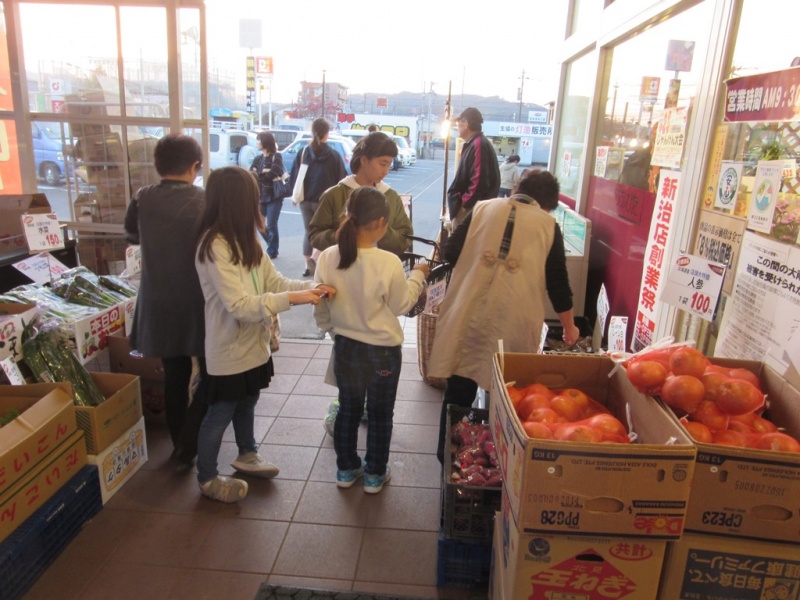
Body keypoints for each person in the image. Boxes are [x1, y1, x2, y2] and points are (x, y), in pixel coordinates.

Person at [194, 166, 335, 503]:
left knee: (248, 400)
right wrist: (295, 298)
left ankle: (247, 453)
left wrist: (314, 287)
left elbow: (276, 282)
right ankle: (207, 477)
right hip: (228, 348)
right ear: (239, 201)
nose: (259, 204)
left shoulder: (246, 240)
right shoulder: (215, 245)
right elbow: (239, 306)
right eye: (253, 197)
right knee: (220, 412)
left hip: (253, 345)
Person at [428, 169, 581, 464]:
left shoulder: (482, 208)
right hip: (514, 318)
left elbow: (450, 250)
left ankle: (447, 456)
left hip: (469, 311)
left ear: (516, 189)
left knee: (459, 386)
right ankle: (492, 460)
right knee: (505, 393)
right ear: (548, 204)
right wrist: (569, 327)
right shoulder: (548, 225)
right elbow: (558, 283)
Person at [313, 187, 429, 494]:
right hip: (383, 352)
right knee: (379, 413)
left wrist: (332, 331)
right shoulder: (388, 262)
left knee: (348, 409)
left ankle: (346, 469)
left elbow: (320, 302)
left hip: (346, 347)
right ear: (379, 223)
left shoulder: (328, 256)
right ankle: (375, 474)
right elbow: (401, 305)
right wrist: (419, 275)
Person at [124, 133, 207, 468]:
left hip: (159, 300)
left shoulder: (142, 198)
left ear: (158, 165)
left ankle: (179, 444)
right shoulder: (204, 200)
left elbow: (132, 235)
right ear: (195, 166)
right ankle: (190, 441)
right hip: (199, 300)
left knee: (175, 375)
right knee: (212, 374)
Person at [309, 131, 412, 256]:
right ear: (364, 160)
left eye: (389, 165)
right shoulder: (334, 195)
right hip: (341, 266)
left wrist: (379, 229)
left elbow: (405, 238)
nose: (386, 171)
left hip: (380, 266)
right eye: (382, 164)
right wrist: (338, 236)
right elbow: (314, 235)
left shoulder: (391, 197)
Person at [289, 118, 347, 277]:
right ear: (327, 134)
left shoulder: (303, 153)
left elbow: (295, 176)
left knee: (308, 231)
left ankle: (307, 265)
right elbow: (341, 179)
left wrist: (295, 196)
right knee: (325, 231)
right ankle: (316, 259)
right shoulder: (334, 155)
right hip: (325, 201)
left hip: (305, 200)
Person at [446, 107, 500, 227]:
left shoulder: (478, 144)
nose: (457, 127)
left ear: (466, 123)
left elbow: (479, 181)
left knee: (463, 239)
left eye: (458, 124)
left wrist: (464, 206)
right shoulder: (477, 143)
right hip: (473, 209)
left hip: (471, 211)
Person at [250, 131, 285, 259]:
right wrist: (263, 172)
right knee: (259, 223)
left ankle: (272, 250)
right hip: (261, 195)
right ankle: (271, 243)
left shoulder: (277, 156)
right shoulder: (258, 158)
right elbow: (251, 174)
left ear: (265, 142)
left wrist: (262, 173)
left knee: (271, 224)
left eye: (259, 140)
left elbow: (274, 172)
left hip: (274, 195)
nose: (257, 143)